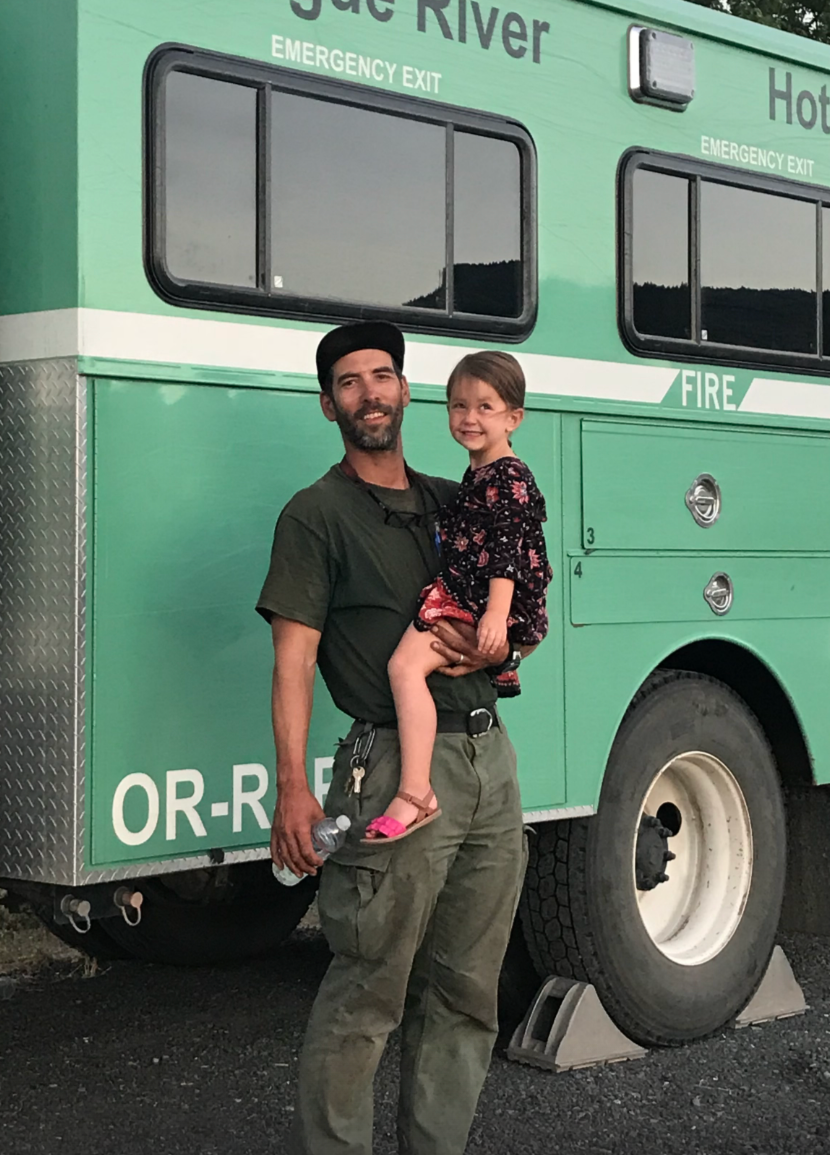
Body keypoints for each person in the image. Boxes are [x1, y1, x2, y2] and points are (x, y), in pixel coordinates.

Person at [257, 320, 538, 1155]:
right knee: (369, 990)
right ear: (327, 405)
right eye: (349, 382)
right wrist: (293, 787)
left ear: (406, 391)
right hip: (392, 770)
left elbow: (519, 601)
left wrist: (506, 640)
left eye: (383, 376)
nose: (370, 392)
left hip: (490, 759)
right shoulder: (316, 515)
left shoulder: (461, 499)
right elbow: (293, 662)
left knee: (465, 994)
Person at [365, 351, 551, 843]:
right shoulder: (480, 475)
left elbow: (507, 550)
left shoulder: (508, 477)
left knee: (404, 669)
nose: (469, 418)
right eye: (458, 406)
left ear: (514, 418)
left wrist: (495, 614)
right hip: (472, 597)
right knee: (408, 670)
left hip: (481, 602)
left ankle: (415, 792)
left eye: (485, 408)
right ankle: (417, 790)